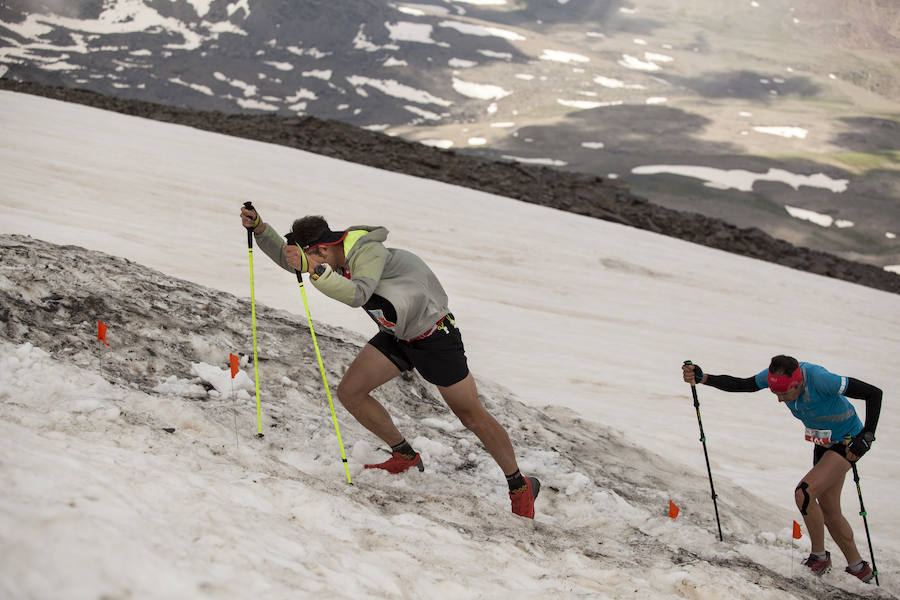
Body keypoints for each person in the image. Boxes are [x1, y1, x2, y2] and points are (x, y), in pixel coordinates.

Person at [240, 205, 540, 518]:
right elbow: (299, 265)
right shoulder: (331, 259)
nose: (310, 265)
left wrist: (312, 268)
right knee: (351, 392)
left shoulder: (366, 253)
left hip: (433, 337)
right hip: (398, 335)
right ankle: (405, 455)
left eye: (312, 258)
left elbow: (358, 293)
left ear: (323, 250)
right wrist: (262, 230)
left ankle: (520, 485)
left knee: (471, 415)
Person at [682, 356, 881, 583]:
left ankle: (819, 557)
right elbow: (743, 384)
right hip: (823, 443)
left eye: (784, 394)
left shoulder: (822, 380)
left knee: (804, 494)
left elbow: (874, 393)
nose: (780, 400)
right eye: (775, 394)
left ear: (797, 383)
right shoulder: (774, 377)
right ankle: (858, 568)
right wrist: (703, 378)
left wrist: (867, 436)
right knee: (829, 510)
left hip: (848, 442)